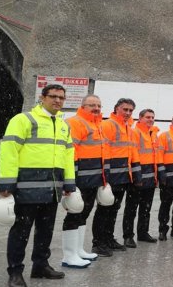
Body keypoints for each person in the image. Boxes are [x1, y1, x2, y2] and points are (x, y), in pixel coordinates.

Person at [0, 84, 75, 286]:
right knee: (21, 232)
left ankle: (40, 266)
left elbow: (68, 156)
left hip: (52, 190)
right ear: (42, 97)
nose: (58, 100)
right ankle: (15, 272)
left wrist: (69, 183)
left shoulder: (63, 125)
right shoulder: (23, 120)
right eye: (53, 96)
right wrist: (6, 183)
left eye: (61, 97)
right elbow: (9, 151)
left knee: (45, 230)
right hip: (26, 189)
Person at [61, 94, 109, 267]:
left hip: (93, 179)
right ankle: (69, 255)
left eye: (98, 105)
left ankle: (78, 250)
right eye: (92, 105)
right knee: (74, 213)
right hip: (80, 179)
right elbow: (69, 152)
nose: (96, 108)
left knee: (84, 213)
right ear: (83, 106)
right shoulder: (75, 122)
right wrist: (70, 181)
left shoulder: (98, 124)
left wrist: (104, 177)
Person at [93, 98, 141, 254]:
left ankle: (109, 239)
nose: (127, 113)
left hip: (123, 176)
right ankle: (98, 243)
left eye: (130, 110)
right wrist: (105, 176)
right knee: (104, 209)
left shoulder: (128, 128)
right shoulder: (108, 125)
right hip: (111, 176)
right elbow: (103, 150)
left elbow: (132, 153)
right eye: (124, 109)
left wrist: (135, 174)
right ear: (116, 109)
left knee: (113, 210)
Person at [122, 109, 164, 247]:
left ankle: (143, 233)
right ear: (140, 118)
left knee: (146, 209)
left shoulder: (153, 134)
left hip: (150, 179)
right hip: (137, 178)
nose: (150, 119)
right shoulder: (135, 133)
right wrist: (136, 177)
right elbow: (132, 155)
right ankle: (128, 236)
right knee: (131, 209)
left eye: (152, 117)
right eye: (147, 117)